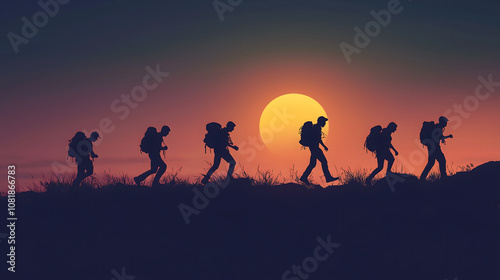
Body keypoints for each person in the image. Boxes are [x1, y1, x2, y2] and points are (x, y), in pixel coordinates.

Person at [300, 116, 338, 185]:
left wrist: (323, 146)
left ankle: (304, 177)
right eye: (324, 122)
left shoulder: (315, 127)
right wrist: (324, 146)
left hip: (313, 148)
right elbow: (318, 139)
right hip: (315, 148)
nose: (325, 123)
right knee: (324, 161)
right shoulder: (317, 128)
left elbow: (317, 139)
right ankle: (328, 177)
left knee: (312, 164)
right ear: (321, 121)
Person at [420, 116, 453, 181]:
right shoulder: (438, 128)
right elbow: (440, 137)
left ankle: (422, 178)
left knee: (431, 163)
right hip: (434, 147)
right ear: (442, 122)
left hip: (431, 147)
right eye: (445, 122)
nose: (446, 123)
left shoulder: (438, 127)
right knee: (442, 160)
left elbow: (439, 137)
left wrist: (447, 136)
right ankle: (443, 177)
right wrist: (448, 136)